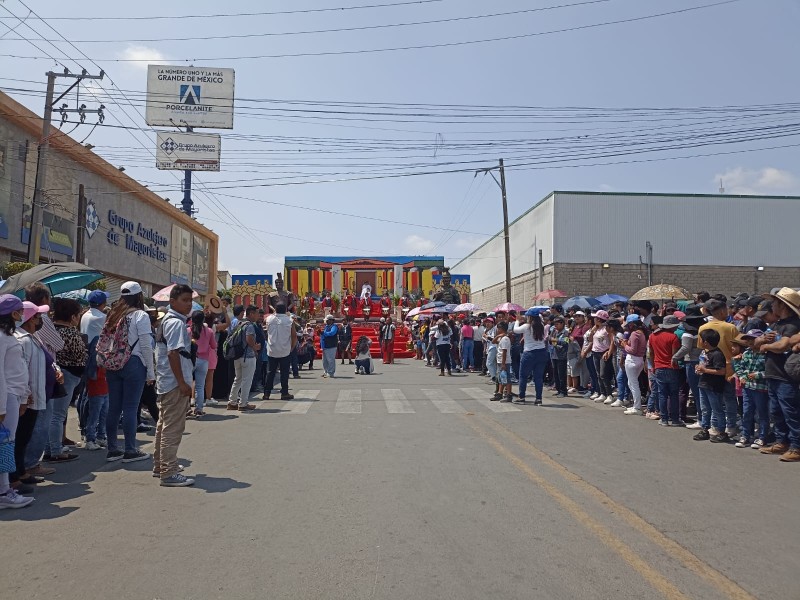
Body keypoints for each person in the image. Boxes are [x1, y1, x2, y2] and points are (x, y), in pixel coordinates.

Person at [102, 281, 154, 463]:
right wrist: (151, 372)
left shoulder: (113, 315)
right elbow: (146, 346)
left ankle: (113, 449)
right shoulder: (141, 315)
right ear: (139, 296)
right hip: (134, 362)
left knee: (114, 408)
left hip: (113, 364)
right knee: (130, 408)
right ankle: (131, 450)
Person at [152, 284, 195, 486]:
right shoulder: (176, 323)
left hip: (165, 380)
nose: (188, 304)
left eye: (190, 300)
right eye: (184, 300)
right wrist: (183, 383)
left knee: (163, 425)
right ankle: (168, 472)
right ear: (172, 302)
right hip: (173, 382)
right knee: (173, 428)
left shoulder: (168, 320)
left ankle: (161, 465)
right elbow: (173, 353)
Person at [754, 287, 800, 461]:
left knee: (791, 412)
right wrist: (762, 342)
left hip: (787, 376)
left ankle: (796, 446)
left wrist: (765, 346)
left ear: (783, 305)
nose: (771, 305)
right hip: (773, 373)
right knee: (777, 411)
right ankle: (782, 441)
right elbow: (757, 344)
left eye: (774, 302)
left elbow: (782, 347)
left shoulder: (793, 325)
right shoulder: (776, 324)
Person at [0, 295, 35, 508]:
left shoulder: (9, 336)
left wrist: (24, 395)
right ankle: (4, 491)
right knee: (5, 443)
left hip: (13, 396)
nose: (23, 315)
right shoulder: (2, 338)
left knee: (7, 442)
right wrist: (2, 406)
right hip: (7, 397)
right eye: (20, 311)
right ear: (12, 314)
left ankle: (4, 488)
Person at [51, 298, 87, 461]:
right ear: (72, 317)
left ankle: (53, 446)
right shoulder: (70, 332)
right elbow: (80, 354)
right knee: (57, 415)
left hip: (60, 372)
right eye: (78, 315)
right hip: (69, 374)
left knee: (56, 413)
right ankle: (55, 450)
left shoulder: (50, 329)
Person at [698, 299, 741, 438]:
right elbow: (737, 347)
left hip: (709, 369)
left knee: (711, 402)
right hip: (728, 368)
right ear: (722, 311)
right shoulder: (731, 327)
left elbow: (701, 349)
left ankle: (714, 426)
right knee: (729, 400)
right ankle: (731, 427)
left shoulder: (703, 328)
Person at [731, 331, 769, 449]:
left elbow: (770, 371)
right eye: (747, 339)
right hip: (747, 387)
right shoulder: (746, 353)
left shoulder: (766, 354)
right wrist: (741, 376)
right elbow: (740, 368)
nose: (749, 342)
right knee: (747, 412)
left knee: (762, 413)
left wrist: (757, 375)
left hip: (761, 388)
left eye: (752, 339)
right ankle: (746, 436)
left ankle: (762, 437)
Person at [693, 329, 728, 442]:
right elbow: (703, 365)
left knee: (717, 409)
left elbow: (722, 371)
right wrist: (699, 369)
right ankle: (705, 429)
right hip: (703, 383)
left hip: (713, 386)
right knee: (705, 409)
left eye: (701, 339)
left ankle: (722, 431)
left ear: (706, 342)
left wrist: (705, 370)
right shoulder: (705, 352)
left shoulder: (717, 354)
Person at [649, 315, 683, 426]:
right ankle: (674, 419)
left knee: (662, 394)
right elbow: (675, 356)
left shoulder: (652, 336)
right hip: (671, 367)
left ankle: (663, 418)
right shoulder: (673, 337)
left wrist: (653, 366)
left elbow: (652, 353)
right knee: (673, 394)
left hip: (658, 367)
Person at [227, 306, 261, 411]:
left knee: (238, 379)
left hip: (237, 355)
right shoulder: (249, 325)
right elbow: (249, 338)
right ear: (251, 314)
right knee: (247, 380)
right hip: (248, 356)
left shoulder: (238, 323)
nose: (258, 316)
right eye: (256, 313)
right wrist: (255, 347)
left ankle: (232, 402)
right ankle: (243, 403)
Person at [512, 309, 549, 405]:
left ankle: (521, 397)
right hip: (541, 352)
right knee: (538, 377)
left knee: (523, 376)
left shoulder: (527, 326)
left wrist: (517, 320)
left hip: (529, 353)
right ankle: (538, 399)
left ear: (530, 317)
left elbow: (515, 330)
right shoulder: (541, 325)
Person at [262, 303, 296, 401]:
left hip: (272, 350)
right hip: (285, 350)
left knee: (270, 372)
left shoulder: (268, 319)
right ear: (285, 309)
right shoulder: (289, 320)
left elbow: (266, 330)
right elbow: (294, 336)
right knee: (284, 372)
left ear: (275, 309)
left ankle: (266, 393)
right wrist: (292, 347)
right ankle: (284, 393)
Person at [189, 311, 216, 417]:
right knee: (200, 386)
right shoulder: (209, 331)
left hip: (190, 360)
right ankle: (199, 408)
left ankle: (187, 408)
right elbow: (214, 345)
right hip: (204, 359)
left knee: (187, 383)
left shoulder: (188, 330)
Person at [622, 315, 648, 415]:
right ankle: (636, 405)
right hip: (640, 359)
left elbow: (632, 350)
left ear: (632, 324)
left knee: (633, 384)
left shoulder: (634, 334)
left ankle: (637, 407)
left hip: (632, 360)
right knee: (632, 383)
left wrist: (624, 345)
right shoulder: (643, 333)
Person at [550, 316, 570, 397]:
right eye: (555, 324)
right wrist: (552, 339)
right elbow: (549, 339)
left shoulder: (566, 332)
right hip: (554, 354)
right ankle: (558, 389)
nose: (556, 326)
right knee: (556, 374)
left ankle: (563, 391)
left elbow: (566, 342)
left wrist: (555, 341)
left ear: (562, 324)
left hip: (562, 356)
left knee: (561, 374)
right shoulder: (554, 331)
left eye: (557, 324)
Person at [493, 321, 513, 402]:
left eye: (498, 328)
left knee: (507, 378)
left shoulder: (505, 339)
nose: (497, 329)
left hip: (504, 361)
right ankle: (499, 393)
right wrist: (498, 336)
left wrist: (503, 363)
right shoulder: (501, 337)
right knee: (501, 378)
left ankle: (508, 395)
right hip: (500, 361)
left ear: (501, 329)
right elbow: (493, 341)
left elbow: (504, 351)